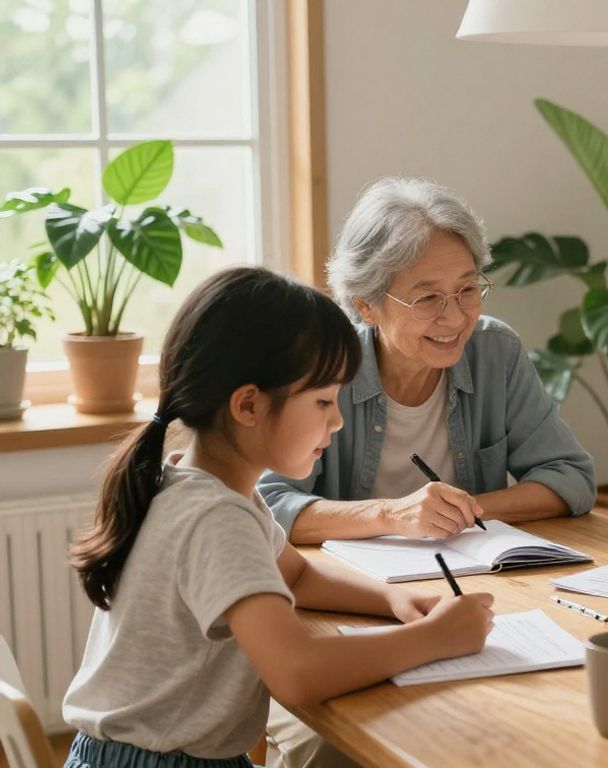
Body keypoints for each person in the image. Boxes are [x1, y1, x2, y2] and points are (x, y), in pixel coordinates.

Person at [62, 267, 495, 768]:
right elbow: (297, 672)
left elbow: (299, 574)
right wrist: (434, 639)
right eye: (322, 401)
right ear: (248, 404)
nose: (336, 420)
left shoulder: (199, 485)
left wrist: (395, 599)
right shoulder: (216, 518)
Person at [258, 177, 595, 545]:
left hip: (473, 574)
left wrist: (458, 512)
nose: (454, 318)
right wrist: (393, 516)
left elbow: (570, 478)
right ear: (365, 305)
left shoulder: (495, 352)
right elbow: (269, 505)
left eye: (467, 289)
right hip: (350, 585)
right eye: (428, 298)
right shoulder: (322, 367)